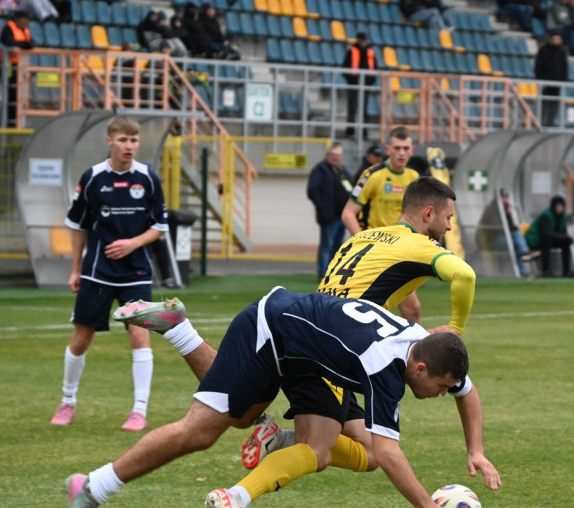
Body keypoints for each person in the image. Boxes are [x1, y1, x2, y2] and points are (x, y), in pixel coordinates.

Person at [65, 288, 498, 508]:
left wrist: (475, 450)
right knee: (204, 430)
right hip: (270, 331)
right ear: (420, 370)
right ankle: (94, 485)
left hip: (311, 354)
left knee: (315, 446)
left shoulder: (429, 345)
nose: (444, 395)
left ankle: (185, 336)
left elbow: (467, 391)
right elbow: (390, 451)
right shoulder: (386, 365)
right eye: (441, 387)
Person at [115, 177, 490, 482]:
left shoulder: (366, 237)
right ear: (428, 214)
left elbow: (375, 290)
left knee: (249, 416)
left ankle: (182, 333)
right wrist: (455, 329)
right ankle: (244, 488)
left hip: (310, 325)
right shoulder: (418, 246)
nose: (449, 226)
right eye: (448, 218)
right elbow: (464, 273)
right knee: (321, 450)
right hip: (333, 349)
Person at [49, 116, 169, 432]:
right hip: (97, 273)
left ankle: (139, 411)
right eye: (122, 140)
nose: (129, 146)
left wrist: (132, 243)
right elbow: (77, 225)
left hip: (137, 272)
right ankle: (67, 402)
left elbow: (160, 226)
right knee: (81, 337)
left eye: (133, 140)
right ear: (109, 141)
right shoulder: (92, 178)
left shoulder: (147, 178)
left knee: (139, 334)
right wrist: (76, 268)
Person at [342, 127, 423, 322]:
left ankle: (413, 352)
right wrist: (363, 241)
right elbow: (348, 213)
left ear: (412, 150)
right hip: (376, 253)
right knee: (370, 311)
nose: (401, 153)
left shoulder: (414, 177)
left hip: (401, 252)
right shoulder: (372, 175)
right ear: (388, 149)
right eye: (397, 148)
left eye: (405, 148)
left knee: (412, 310)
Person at [307, 144, 354, 279]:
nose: (335, 158)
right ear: (327, 156)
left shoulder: (342, 170)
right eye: (333, 155)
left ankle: (332, 272)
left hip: (343, 216)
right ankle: (322, 273)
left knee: (337, 246)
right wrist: (323, 208)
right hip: (329, 216)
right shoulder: (319, 170)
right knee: (326, 245)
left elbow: (352, 185)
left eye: (338, 156)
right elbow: (313, 191)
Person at [524, 174, 574, 278]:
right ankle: (546, 270)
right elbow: (546, 233)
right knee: (547, 241)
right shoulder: (546, 215)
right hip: (535, 240)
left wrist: (566, 238)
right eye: (557, 205)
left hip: (550, 239)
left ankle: (566, 271)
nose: (559, 208)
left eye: (561, 206)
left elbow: (563, 233)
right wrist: (564, 237)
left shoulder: (564, 217)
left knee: (566, 242)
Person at [0, 10, 33, 128]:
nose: (27, 22)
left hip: (20, 66)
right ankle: (4, 123)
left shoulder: (26, 30)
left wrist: (25, 44)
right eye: (26, 19)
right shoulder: (9, 27)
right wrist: (24, 44)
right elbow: (8, 42)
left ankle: (14, 123)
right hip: (8, 65)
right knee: (9, 94)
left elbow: (31, 43)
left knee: (17, 96)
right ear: (19, 18)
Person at [341, 32, 376, 137]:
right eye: (361, 39)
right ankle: (350, 131)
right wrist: (352, 80)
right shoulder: (351, 51)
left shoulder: (370, 52)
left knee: (364, 109)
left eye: (364, 39)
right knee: (352, 108)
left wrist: (370, 81)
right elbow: (345, 68)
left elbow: (374, 68)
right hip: (353, 85)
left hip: (365, 85)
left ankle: (364, 132)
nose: (362, 42)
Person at [534, 32, 568, 127]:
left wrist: (563, 81)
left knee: (554, 104)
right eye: (555, 38)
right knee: (543, 103)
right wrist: (541, 81)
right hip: (545, 83)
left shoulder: (562, 51)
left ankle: (550, 122)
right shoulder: (544, 50)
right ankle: (540, 122)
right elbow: (538, 67)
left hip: (557, 84)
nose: (557, 40)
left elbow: (564, 68)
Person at [500, 188, 532, 279]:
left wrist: (508, 212)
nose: (505, 200)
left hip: (505, 237)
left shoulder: (505, 210)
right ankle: (525, 252)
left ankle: (523, 270)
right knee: (516, 238)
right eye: (503, 197)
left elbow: (511, 227)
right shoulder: (494, 210)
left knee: (516, 242)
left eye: (506, 197)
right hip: (493, 239)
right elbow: (501, 228)